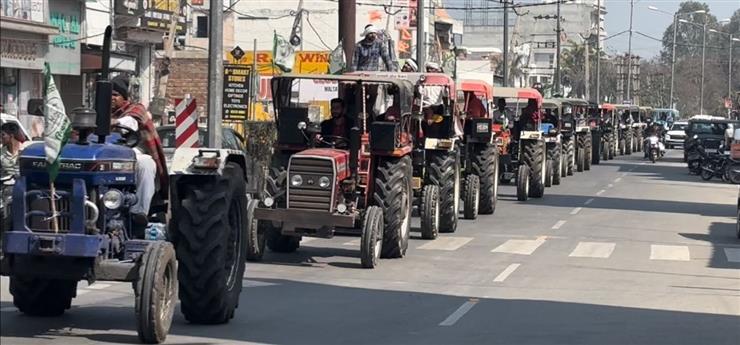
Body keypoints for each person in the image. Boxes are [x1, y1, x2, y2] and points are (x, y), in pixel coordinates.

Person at [109, 75, 167, 228]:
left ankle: (138, 213)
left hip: (134, 151)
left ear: (124, 97)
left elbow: (132, 122)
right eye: (109, 94)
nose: (111, 98)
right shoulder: (99, 112)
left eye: (115, 95)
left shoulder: (136, 109)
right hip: (107, 154)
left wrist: (116, 122)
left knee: (146, 164)